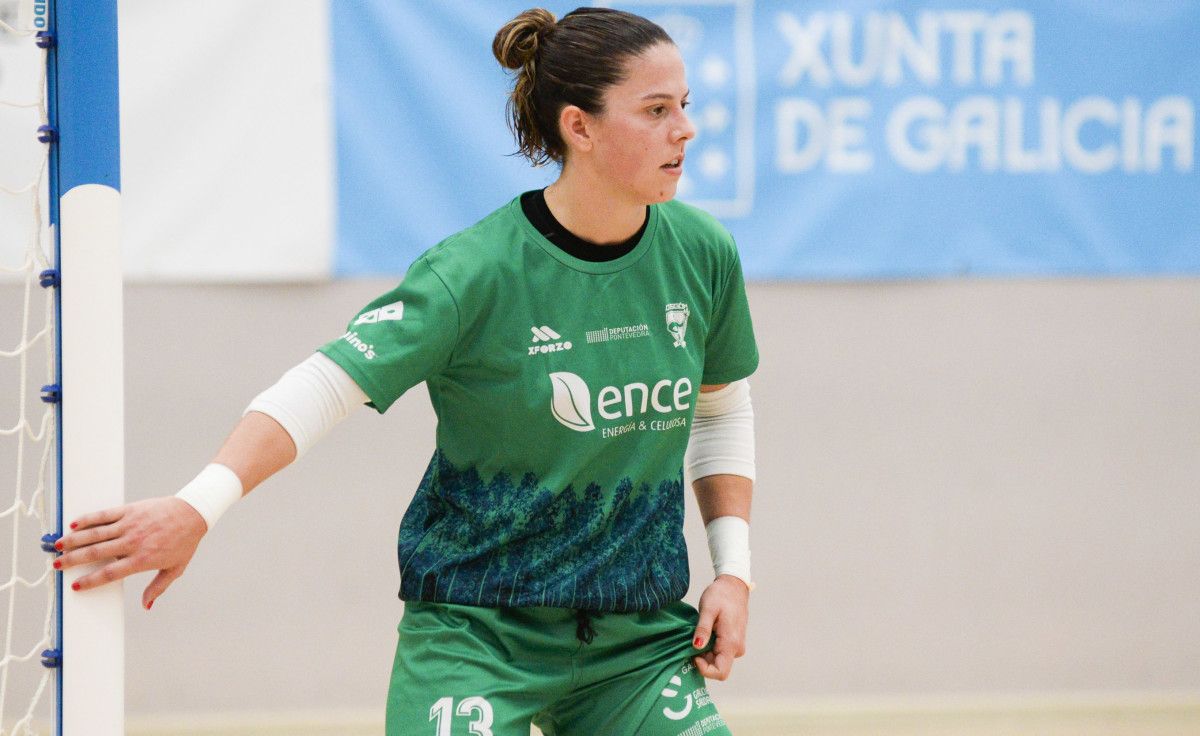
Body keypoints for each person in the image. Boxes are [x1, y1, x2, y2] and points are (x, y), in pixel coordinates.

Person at [56, 7, 759, 734]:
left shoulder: (701, 252)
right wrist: (196, 506)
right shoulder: (472, 274)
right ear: (579, 128)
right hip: (478, 635)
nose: (685, 128)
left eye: (684, 106)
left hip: (636, 643)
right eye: (655, 110)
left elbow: (722, 407)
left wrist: (732, 570)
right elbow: (323, 384)